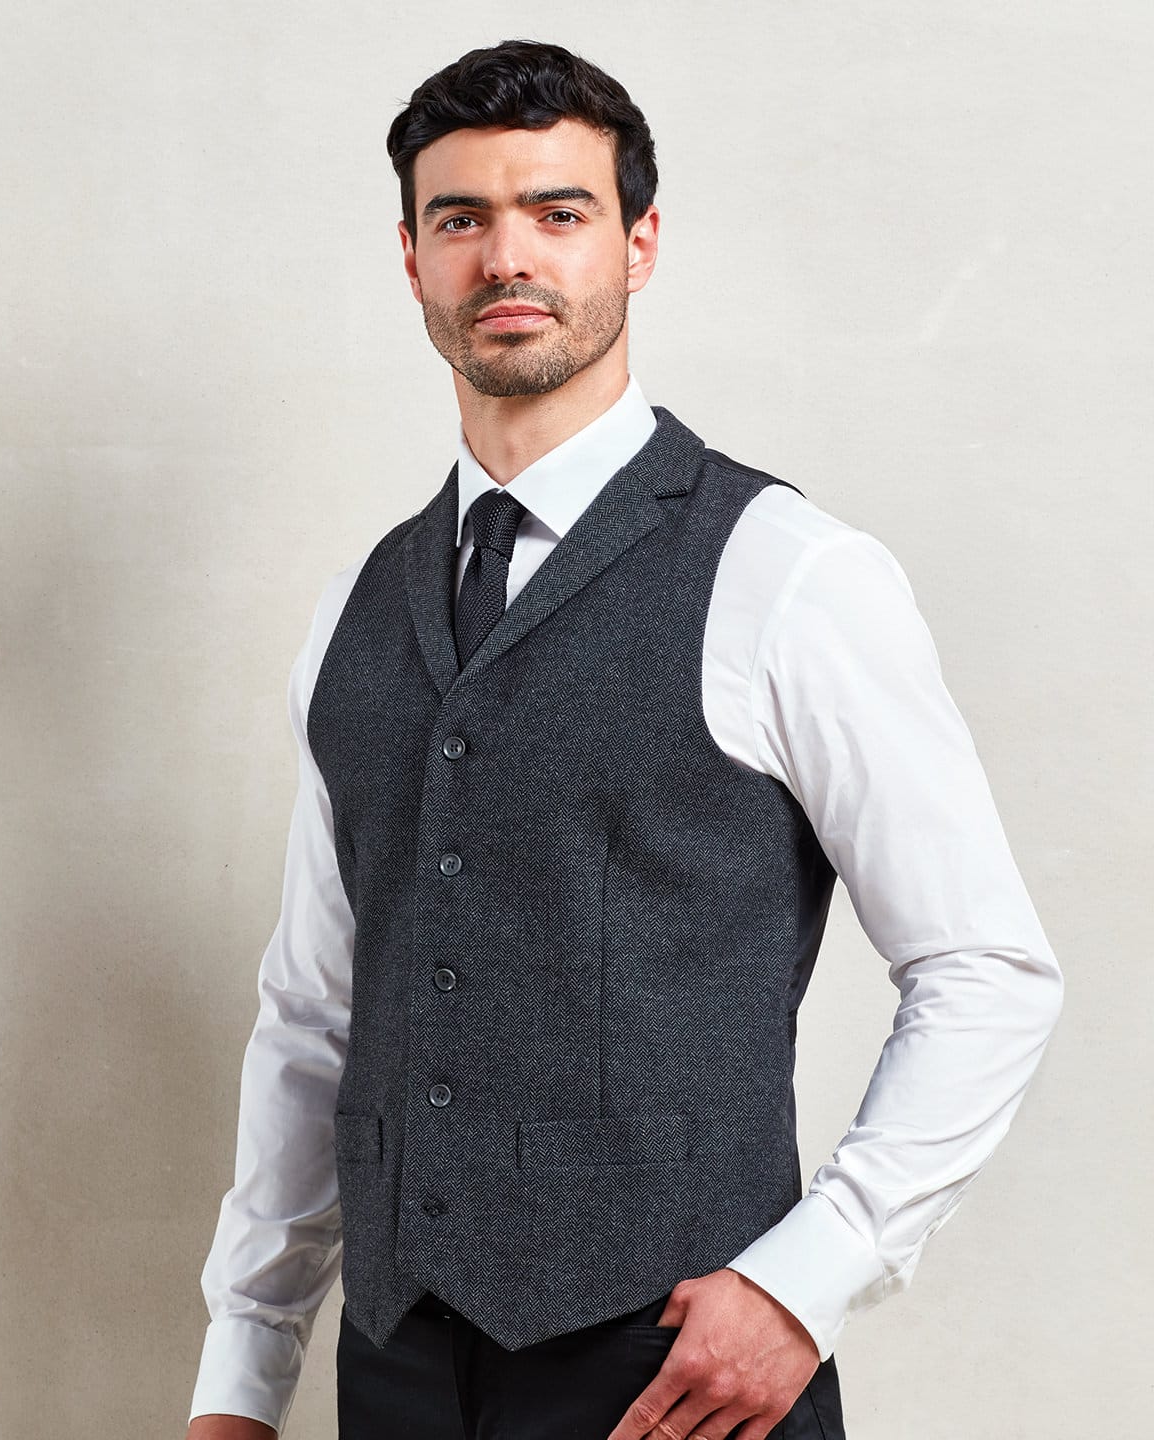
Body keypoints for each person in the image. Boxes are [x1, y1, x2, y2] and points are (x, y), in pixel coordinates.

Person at [184, 38, 1064, 1440]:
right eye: (460, 219)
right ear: (411, 260)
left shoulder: (789, 571)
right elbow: (316, 1015)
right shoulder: (359, 608)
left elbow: (987, 969)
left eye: (559, 211)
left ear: (639, 243)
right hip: (398, 1368)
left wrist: (804, 1284)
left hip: (677, 1372)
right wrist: (241, 1377)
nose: (506, 258)